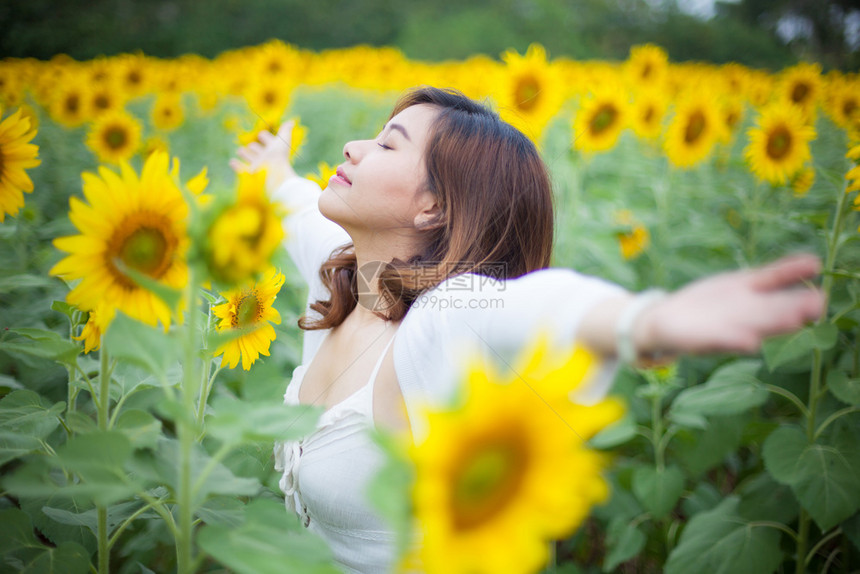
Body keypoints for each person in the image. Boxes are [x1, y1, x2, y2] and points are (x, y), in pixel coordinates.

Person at [230, 86, 824, 573]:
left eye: (388, 144)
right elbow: (298, 210)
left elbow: (527, 306)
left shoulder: (438, 320)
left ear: (433, 207)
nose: (353, 147)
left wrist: (642, 320)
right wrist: (275, 171)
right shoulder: (343, 279)